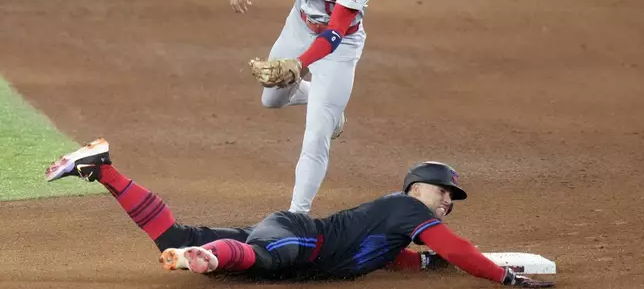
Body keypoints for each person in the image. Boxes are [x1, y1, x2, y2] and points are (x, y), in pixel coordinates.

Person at [46, 138, 554, 287]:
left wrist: (423, 263)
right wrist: (503, 279)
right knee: (271, 259)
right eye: (444, 193)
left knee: (171, 236)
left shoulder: (395, 231)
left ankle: (103, 169)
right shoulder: (405, 208)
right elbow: (458, 249)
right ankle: (210, 256)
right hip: (295, 238)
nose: (447, 202)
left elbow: (385, 257)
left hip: (281, 235)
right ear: (418, 187)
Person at [231, 0, 379, 214]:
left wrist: (301, 64)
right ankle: (328, 104)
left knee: (316, 136)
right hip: (299, 25)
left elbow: (336, 31)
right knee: (271, 99)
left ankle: (297, 214)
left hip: (339, 47)